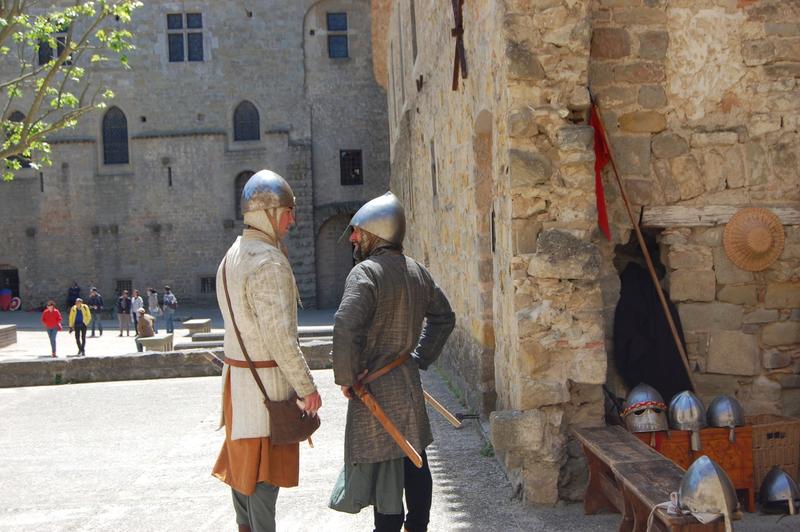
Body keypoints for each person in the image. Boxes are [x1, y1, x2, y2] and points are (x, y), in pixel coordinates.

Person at [329, 192, 455, 532]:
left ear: (376, 233)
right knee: (415, 459)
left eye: (357, 231)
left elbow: (345, 328)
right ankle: (418, 527)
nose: (353, 238)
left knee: (388, 471)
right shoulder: (417, 271)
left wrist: (347, 377)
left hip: (376, 388)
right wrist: (418, 359)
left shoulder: (365, 273)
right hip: (407, 381)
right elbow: (445, 318)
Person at [211, 169, 322, 532]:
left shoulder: (232, 255)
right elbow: (280, 338)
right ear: (270, 214)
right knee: (261, 480)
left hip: (238, 388)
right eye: (288, 212)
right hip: (264, 390)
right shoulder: (269, 262)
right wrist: (307, 387)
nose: (292, 220)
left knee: (244, 479)